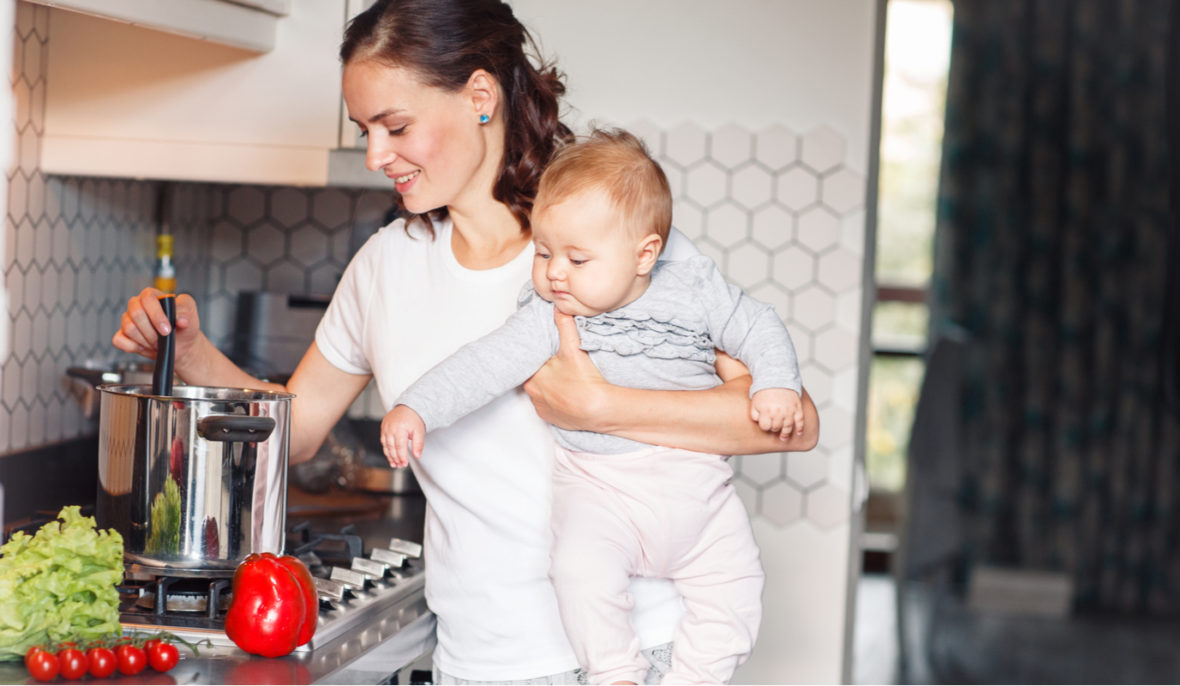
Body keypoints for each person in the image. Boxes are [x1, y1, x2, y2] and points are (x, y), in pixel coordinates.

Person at [112, 1, 820, 683]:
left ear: (480, 95)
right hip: (482, 658)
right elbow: (294, 432)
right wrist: (192, 352)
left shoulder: (593, 244)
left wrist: (600, 405)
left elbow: (789, 422)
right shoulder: (385, 266)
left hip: (638, 651)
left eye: (394, 125)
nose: (373, 155)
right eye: (364, 129)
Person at [380, 129, 801, 684]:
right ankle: (613, 671)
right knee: (579, 573)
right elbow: (482, 364)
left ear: (644, 255)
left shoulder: (697, 289)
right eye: (546, 253)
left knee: (738, 583)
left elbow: (758, 325)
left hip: (696, 491)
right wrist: (418, 407)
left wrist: (777, 385)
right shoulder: (551, 314)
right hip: (600, 491)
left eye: (578, 258)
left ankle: (695, 676)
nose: (556, 272)